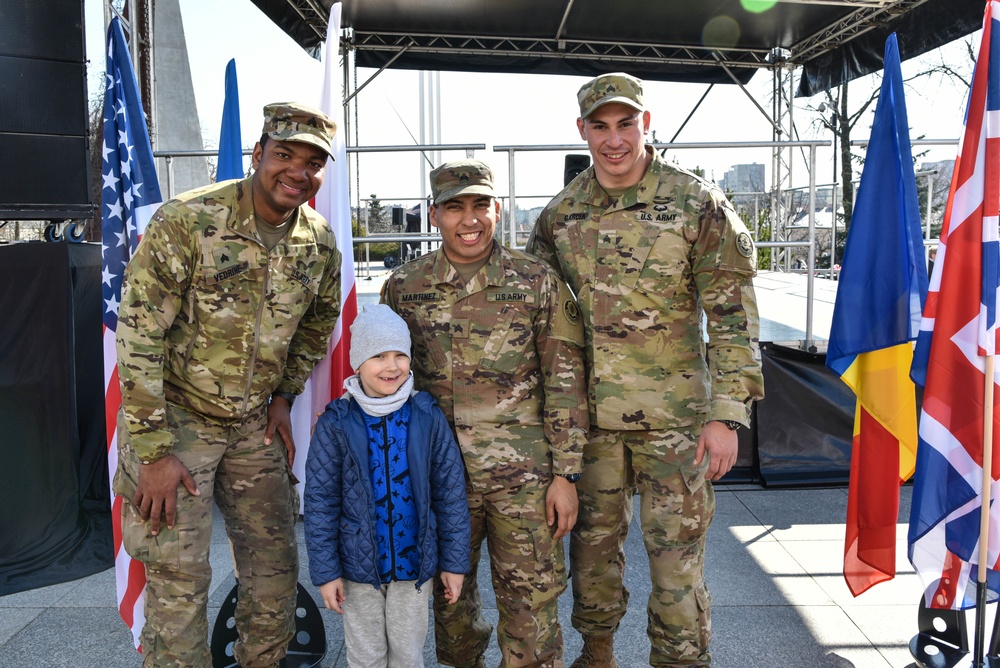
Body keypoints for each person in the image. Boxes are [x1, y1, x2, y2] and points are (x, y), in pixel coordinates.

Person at [525, 73, 765, 667]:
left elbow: (732, 314)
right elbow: (543, 327)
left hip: (676, 425)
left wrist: (727, 416)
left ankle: (681, 662)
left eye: (625, 124)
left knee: (676, 564)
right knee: (592, 555)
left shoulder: (695, 202)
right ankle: (598, 653)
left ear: (645, 124)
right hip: (594, 427)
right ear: (581, 130)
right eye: (600, 127)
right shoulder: (559, 217)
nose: (614, 140)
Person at [113, 102, 343, 667]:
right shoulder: (188, 221)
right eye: (284, 154)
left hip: (251, 428)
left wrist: (285, 396)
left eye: (313, 162)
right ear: (258, 154)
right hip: (175, 423)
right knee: (178, 582)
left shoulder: (318, 242)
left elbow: (318, 322)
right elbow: (138, 335)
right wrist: (154, 452)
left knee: (274, 575)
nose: (297, 171)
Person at [381, 159, 589, 668]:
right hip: (437, 475)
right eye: (454, 207)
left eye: (479, 205)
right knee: (449, 605)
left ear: (497, 209)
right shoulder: (403, 287)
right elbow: (386, 385)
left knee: (533, 606)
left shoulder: (536, 282)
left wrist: (566, 475)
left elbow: (565, 381)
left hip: (524, 479)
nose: (468, 219)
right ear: (434, 215)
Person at [304, 303, 472, 668]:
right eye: (378, 356)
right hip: (357, 570)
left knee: (408, 655)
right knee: (366, 656)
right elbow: (320, 503)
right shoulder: (336, 422)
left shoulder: (427, 415)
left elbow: (450, 495)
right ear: (358, 362)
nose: (391, 366)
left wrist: (454, 563)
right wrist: (326, 571)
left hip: (414, 568)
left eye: (399, 355)